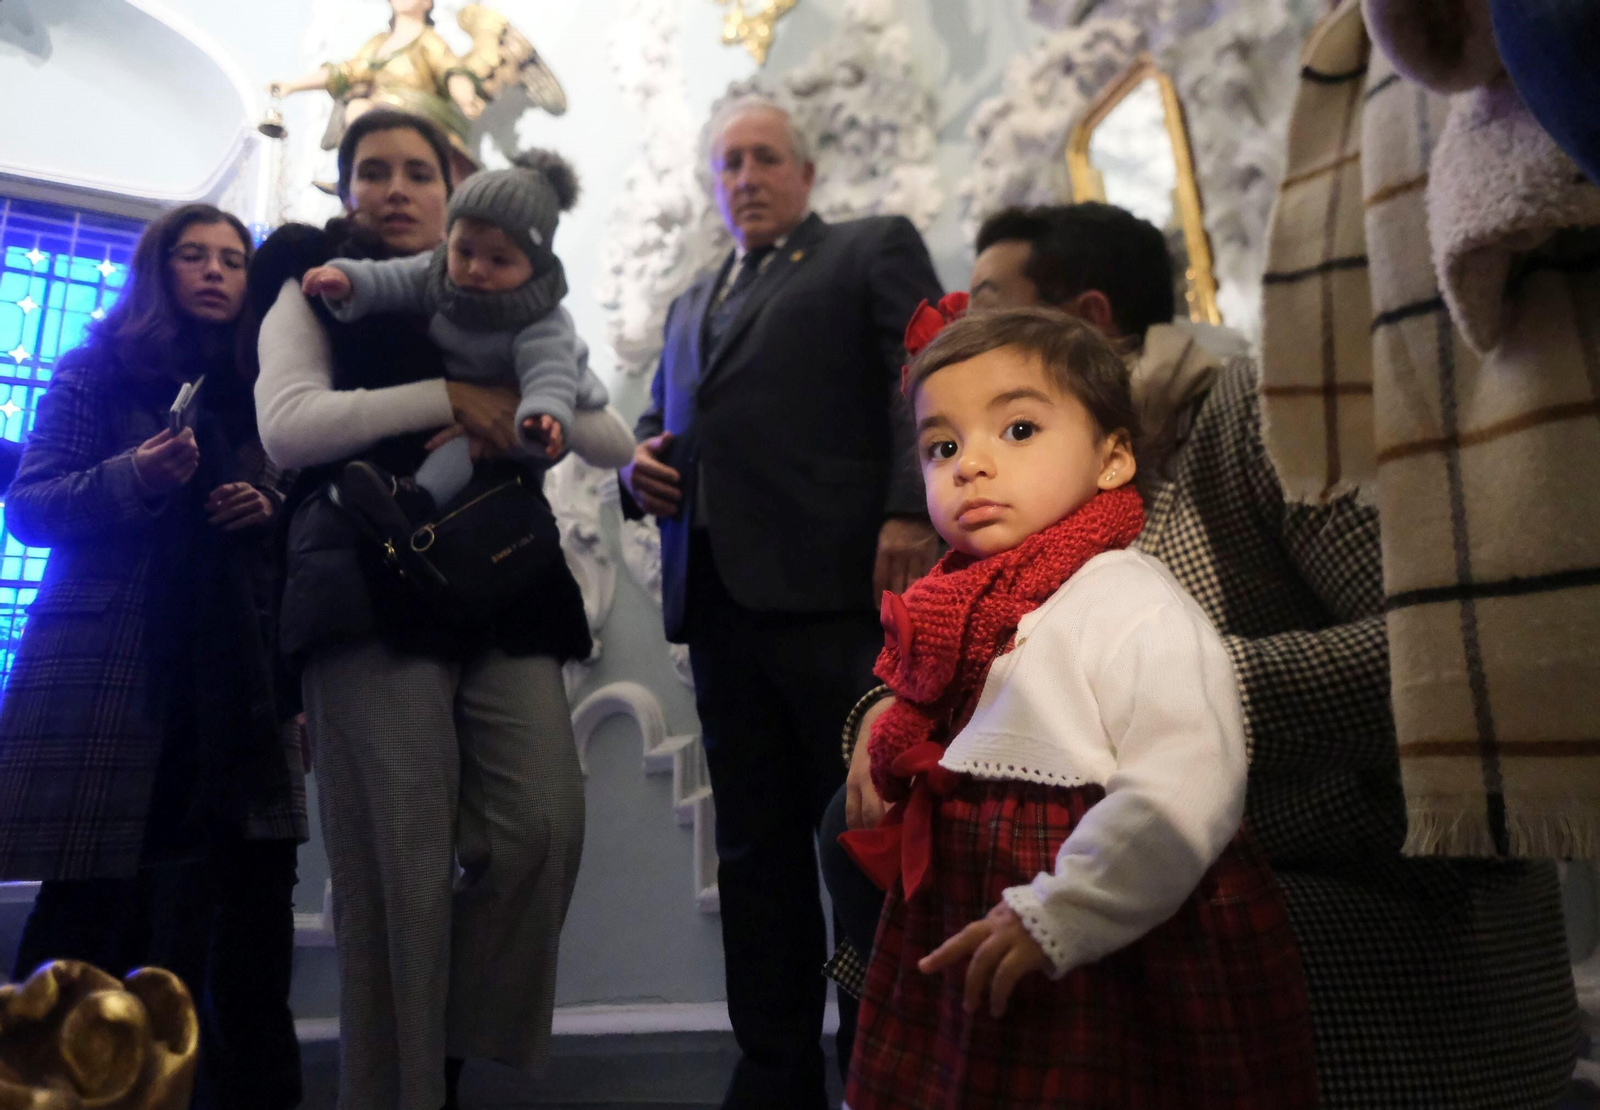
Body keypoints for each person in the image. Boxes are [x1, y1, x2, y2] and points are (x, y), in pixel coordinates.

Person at [825, 202, 1577, 1107]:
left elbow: (1453, 650)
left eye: (989, 304)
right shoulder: (1012, 525)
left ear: (1088, 319)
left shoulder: (1253, 417)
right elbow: (964, 647)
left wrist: (1146, 698)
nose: (965, 330)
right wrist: (898, 709)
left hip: (1341, 870)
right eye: (943, 442)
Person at [840, 302, 1318, 1109]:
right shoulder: (960, 605)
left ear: (1113, 458)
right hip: (971, 902)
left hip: (1096, 916)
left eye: (1018, 430)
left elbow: (1185, 781)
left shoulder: (1132, 600)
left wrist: (1069, 908)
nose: (970, 465)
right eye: (942, 446)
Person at [250, 109, 614, 1110]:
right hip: (365, 584)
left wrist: (598, 438)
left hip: (504, 584)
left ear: (454, 191)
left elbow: (587, 413)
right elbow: (287, 428)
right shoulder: (315, 281)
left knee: (542, 828)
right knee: (398, 872)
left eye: (419, 171)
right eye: (373, 171)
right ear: (344, 189)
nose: (396, 188)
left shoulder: (512, 293)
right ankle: (400, 1093)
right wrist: (449, 398)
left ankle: (443, 1053)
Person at [620, 94, 942, 1109]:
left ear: (805, 173)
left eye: (764, 158)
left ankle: (881, 1072)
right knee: (755, 856)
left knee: (861, 841)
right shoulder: (688, 304)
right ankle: (773, 1073)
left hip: (841, 600)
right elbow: (659, 426)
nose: (746, 178)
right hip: (720, 609)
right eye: (729, 164)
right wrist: (636, 469)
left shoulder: (867, 250)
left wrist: (911, 507)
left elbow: (928, 374)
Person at [0, 203, 306, 1110]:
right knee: (88, 917)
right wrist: (137, 472)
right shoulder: (94, 369)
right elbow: (32, 506)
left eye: (233, 259)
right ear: (157, 269)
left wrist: (270, 511)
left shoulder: (272, 391)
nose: (215, 271)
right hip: (113, 675)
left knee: (235, 930)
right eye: (193, 255)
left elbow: (310, 535)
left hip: (241, 684)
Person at [301, 147, 630, 518]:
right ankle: (412, 499)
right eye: (465, 251)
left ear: (535, 267)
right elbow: (392, 278)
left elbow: (549, 372)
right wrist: (347, 279)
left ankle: (420, 500)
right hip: (480, 402)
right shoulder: (438, 274)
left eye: (499, 259)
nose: (476, 269)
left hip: (546, 402)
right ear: (448, 240)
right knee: (454, 445)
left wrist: (543, 416)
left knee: (467, 452)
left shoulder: (540, 320)